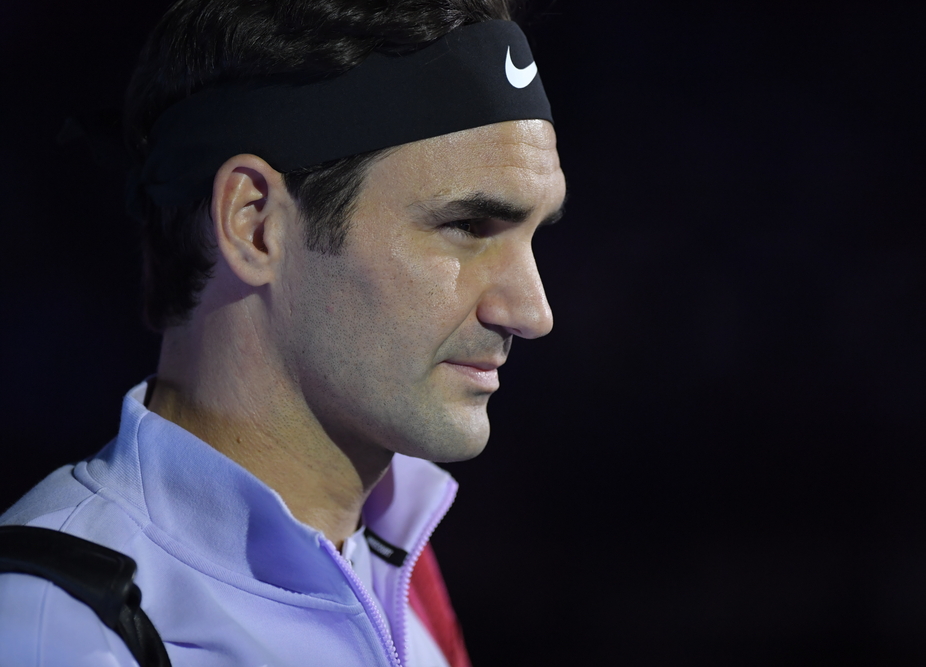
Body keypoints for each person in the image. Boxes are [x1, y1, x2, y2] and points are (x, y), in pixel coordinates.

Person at [0, 0, 565, 664]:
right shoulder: (56, 628)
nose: (532, 312)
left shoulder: (399, 566)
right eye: (469, 227)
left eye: (534, 234)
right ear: (255, 223)